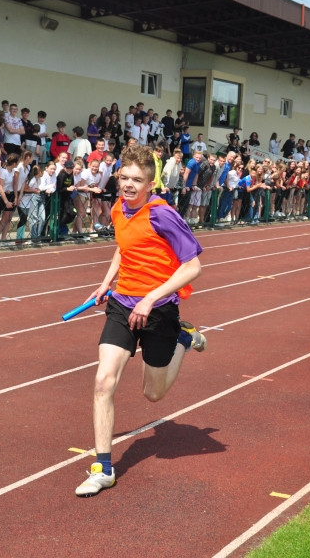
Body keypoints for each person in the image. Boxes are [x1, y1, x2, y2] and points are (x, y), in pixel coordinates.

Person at [75, 144, 206, 497]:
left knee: (153, 394)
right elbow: (124, 246)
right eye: (124, 178)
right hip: (121, 304)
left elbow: (193, 265)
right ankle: (103, 467)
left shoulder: (163, 214)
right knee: (104, 380)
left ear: (150, 183)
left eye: (137, 180)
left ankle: (183, 338)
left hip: (159, 310)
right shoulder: (119, 207)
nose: (129, 185)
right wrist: (105, 283)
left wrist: (151, 298)